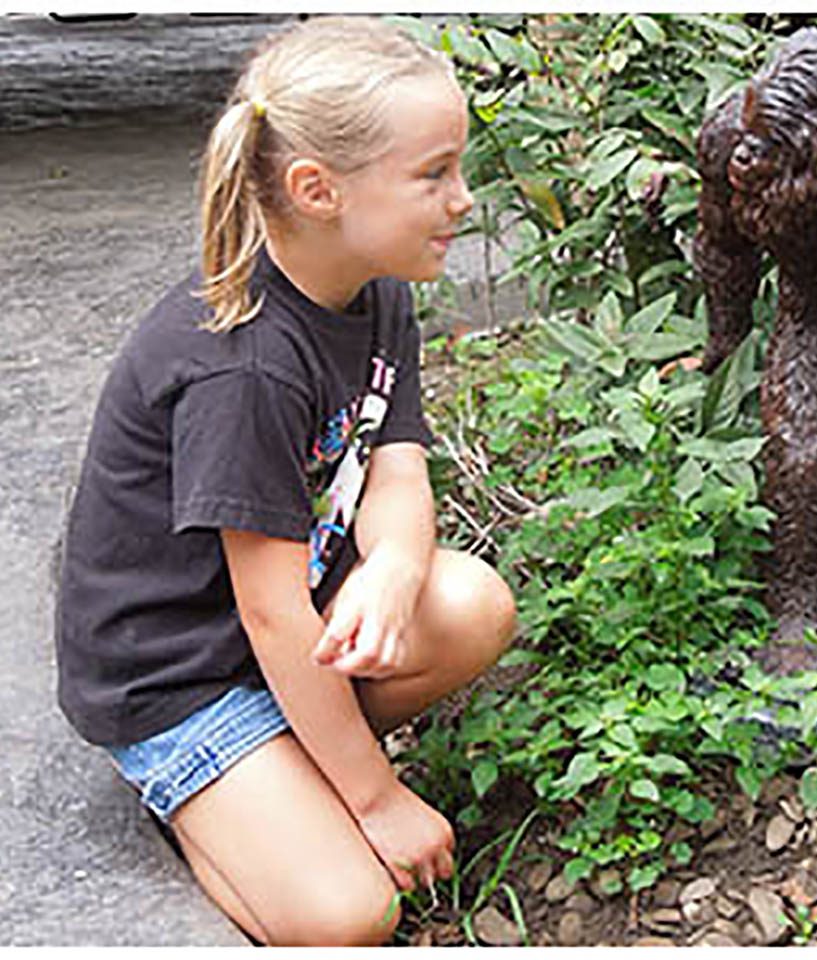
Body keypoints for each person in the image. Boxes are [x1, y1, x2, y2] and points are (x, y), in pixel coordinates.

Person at [54, 16, 516, 946]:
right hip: (180, 677)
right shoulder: (246, 366)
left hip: (283, 625)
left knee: (470, 604)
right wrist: (377, 800)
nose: (462, 199)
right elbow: (270, 615)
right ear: (317, 190)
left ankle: (287, 773)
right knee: (352, 913)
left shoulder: (373, 287)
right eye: (433, 174)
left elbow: (396, 459)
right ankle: (209, 800)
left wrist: (393, 566)